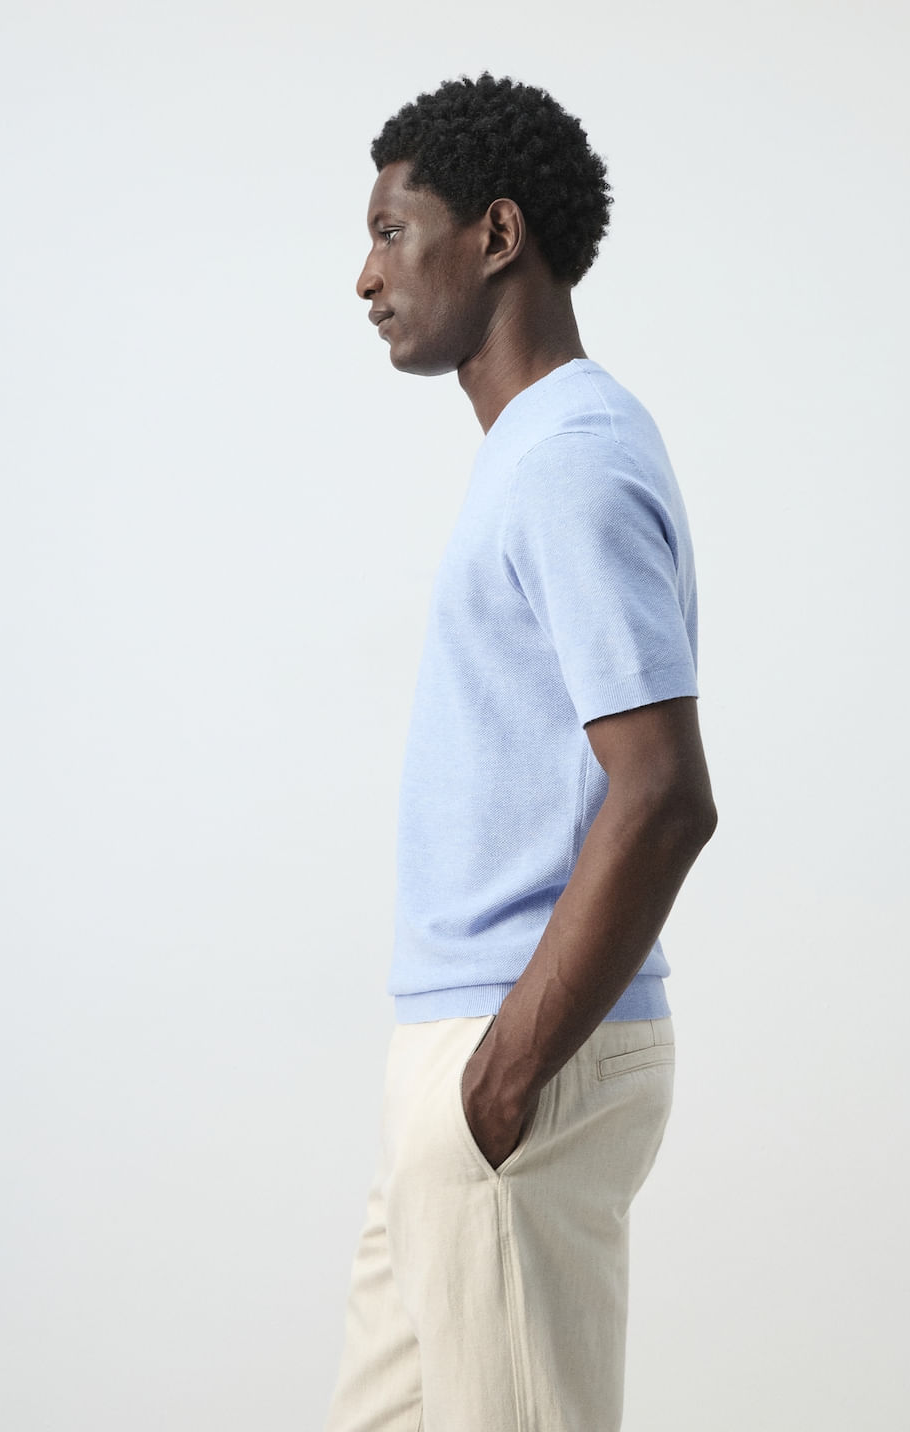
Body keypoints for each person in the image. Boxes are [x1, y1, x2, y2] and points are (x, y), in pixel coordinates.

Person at [325, 72, 717, 1432]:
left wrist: (501, 1081)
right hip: (464, 1058)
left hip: (513, 1061)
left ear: (497, 235)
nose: (366, 277)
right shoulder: (534, 452)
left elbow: (664, 795)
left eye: (392, 232)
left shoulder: (567, 459)